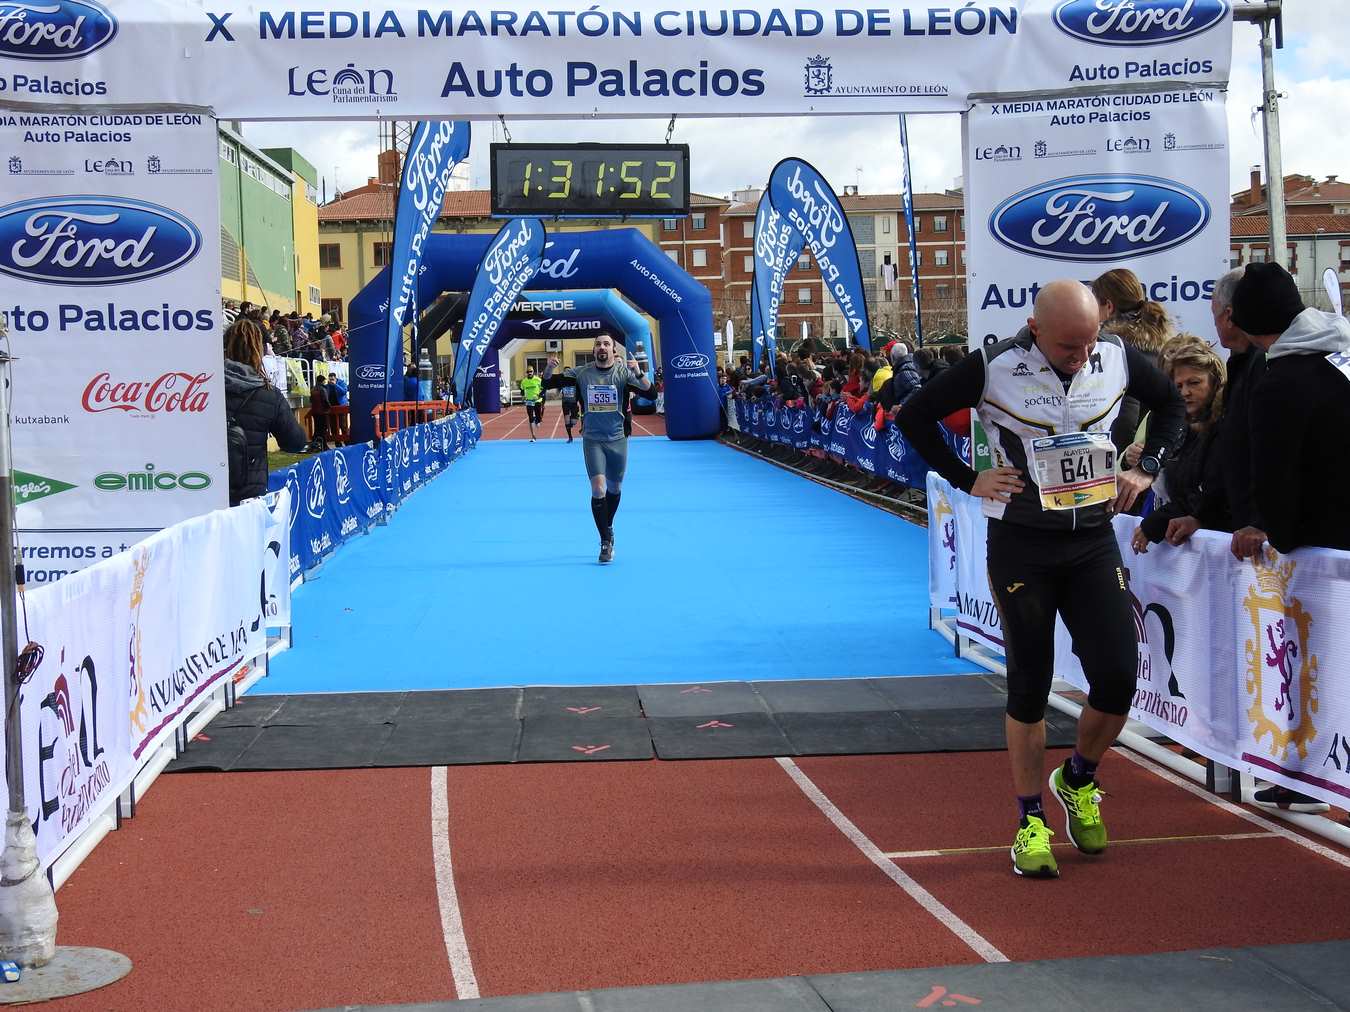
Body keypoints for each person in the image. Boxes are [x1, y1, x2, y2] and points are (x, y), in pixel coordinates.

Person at [898, 280, 1185, 880]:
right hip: (1021, 542)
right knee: (1028, 683)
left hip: (1090, 540)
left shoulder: (1118, 358)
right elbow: (913, 415)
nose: (1081, 356)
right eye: (1066, 347)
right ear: (1034, 328)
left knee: (1117, 676)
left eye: (1088, 344)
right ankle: (1030, 820)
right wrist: (965, 477)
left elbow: (1174, 407)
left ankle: (1077, 777)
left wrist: (1148, 467)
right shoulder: (993, 365)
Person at [1228, 262, 1348, 816]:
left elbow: (1277, 478)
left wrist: (1272, 530)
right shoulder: (1340, 358)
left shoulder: (1279, 384)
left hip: (1319, 553)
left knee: (1314, 669)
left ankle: (1313, 781)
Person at [541, 334, 655, 564]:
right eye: (598, 344)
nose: (602, 347)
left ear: (614, 350)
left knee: (615, 487)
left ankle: (608, 525)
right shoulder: (582, 373)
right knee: (598, 489)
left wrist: (639, 372)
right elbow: (548, 383)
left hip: (617, 439)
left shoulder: (623, 374)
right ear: (593, 350)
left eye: (606, 344)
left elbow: (651, 394)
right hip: (593, 439)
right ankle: (605, 540)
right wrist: (548, 369)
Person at [1128, 336, 1228, 554]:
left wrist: (1158, 521)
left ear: (1214, 382)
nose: (1185, 392)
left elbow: (1207, 490)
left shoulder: (1225, 425)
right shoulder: (1176, 419)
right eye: (1179, 386)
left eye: (1194, 383)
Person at [1209, 268, 1268, 562]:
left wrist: (1262, 522)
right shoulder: (1242, 364)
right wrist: (1201, 515)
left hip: (1262, 540)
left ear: (1229, 315)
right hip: (1240, 529)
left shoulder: (1264, 366)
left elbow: (1271, 450)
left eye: (1214, 314)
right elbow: (1229, 450)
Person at [224, 319, 307, 505]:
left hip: (206, 488)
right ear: (259, 352)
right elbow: (295, 443)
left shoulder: (202, 388)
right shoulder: (269, 394)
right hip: (249, 495)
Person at [1092, 269, 1175, 453]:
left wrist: (1118, 462)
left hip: (1132, 461)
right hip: (1157, 450)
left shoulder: (1116, 351)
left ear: (1109, 306)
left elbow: (1125, 418)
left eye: (1094, 304)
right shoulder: (1164, 346)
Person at [519, 365, 544, 442]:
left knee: (538, 421)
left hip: (537, 401)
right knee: (530, 418)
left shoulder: (538, 380)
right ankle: (533, 436)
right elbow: (522, 390)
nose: (529, 373)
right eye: (528, 372)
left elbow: (543, 390)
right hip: (529, 401)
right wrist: (523, 396)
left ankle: (538, 419)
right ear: (526, 373)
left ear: (533, 372)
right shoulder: (524, 381)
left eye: (531, 371)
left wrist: (538, 395)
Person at [309, 371, 331, 450]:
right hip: (322, 412)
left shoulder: (313, 389)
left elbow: (311, 400)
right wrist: (329, 407)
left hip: (315, 412)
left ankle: (314, 444)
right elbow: (325, 400)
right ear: (322, 381)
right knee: (323, 429)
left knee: (317, 428)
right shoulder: (322, 389)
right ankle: (324, 445)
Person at [326, 373, 349, 445]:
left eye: (332, 379)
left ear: (335, 378)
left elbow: (344, 392)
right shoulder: (327, 386)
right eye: (330, 379)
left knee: (343, 425)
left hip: (341, 406)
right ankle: (337, 442)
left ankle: (346, 441)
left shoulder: (341, 383)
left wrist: (335, 385)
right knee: (333, 426)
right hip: (331, 407)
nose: (331, 381)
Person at [559, 370, 581, 443]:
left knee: (573, 422)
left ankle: (576, 416)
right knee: (566, 421)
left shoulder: (575, 382)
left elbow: (579, 392)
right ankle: (570, 437)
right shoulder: (562, 383)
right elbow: (559, 391)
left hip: (573, 403)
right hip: (565, 403)